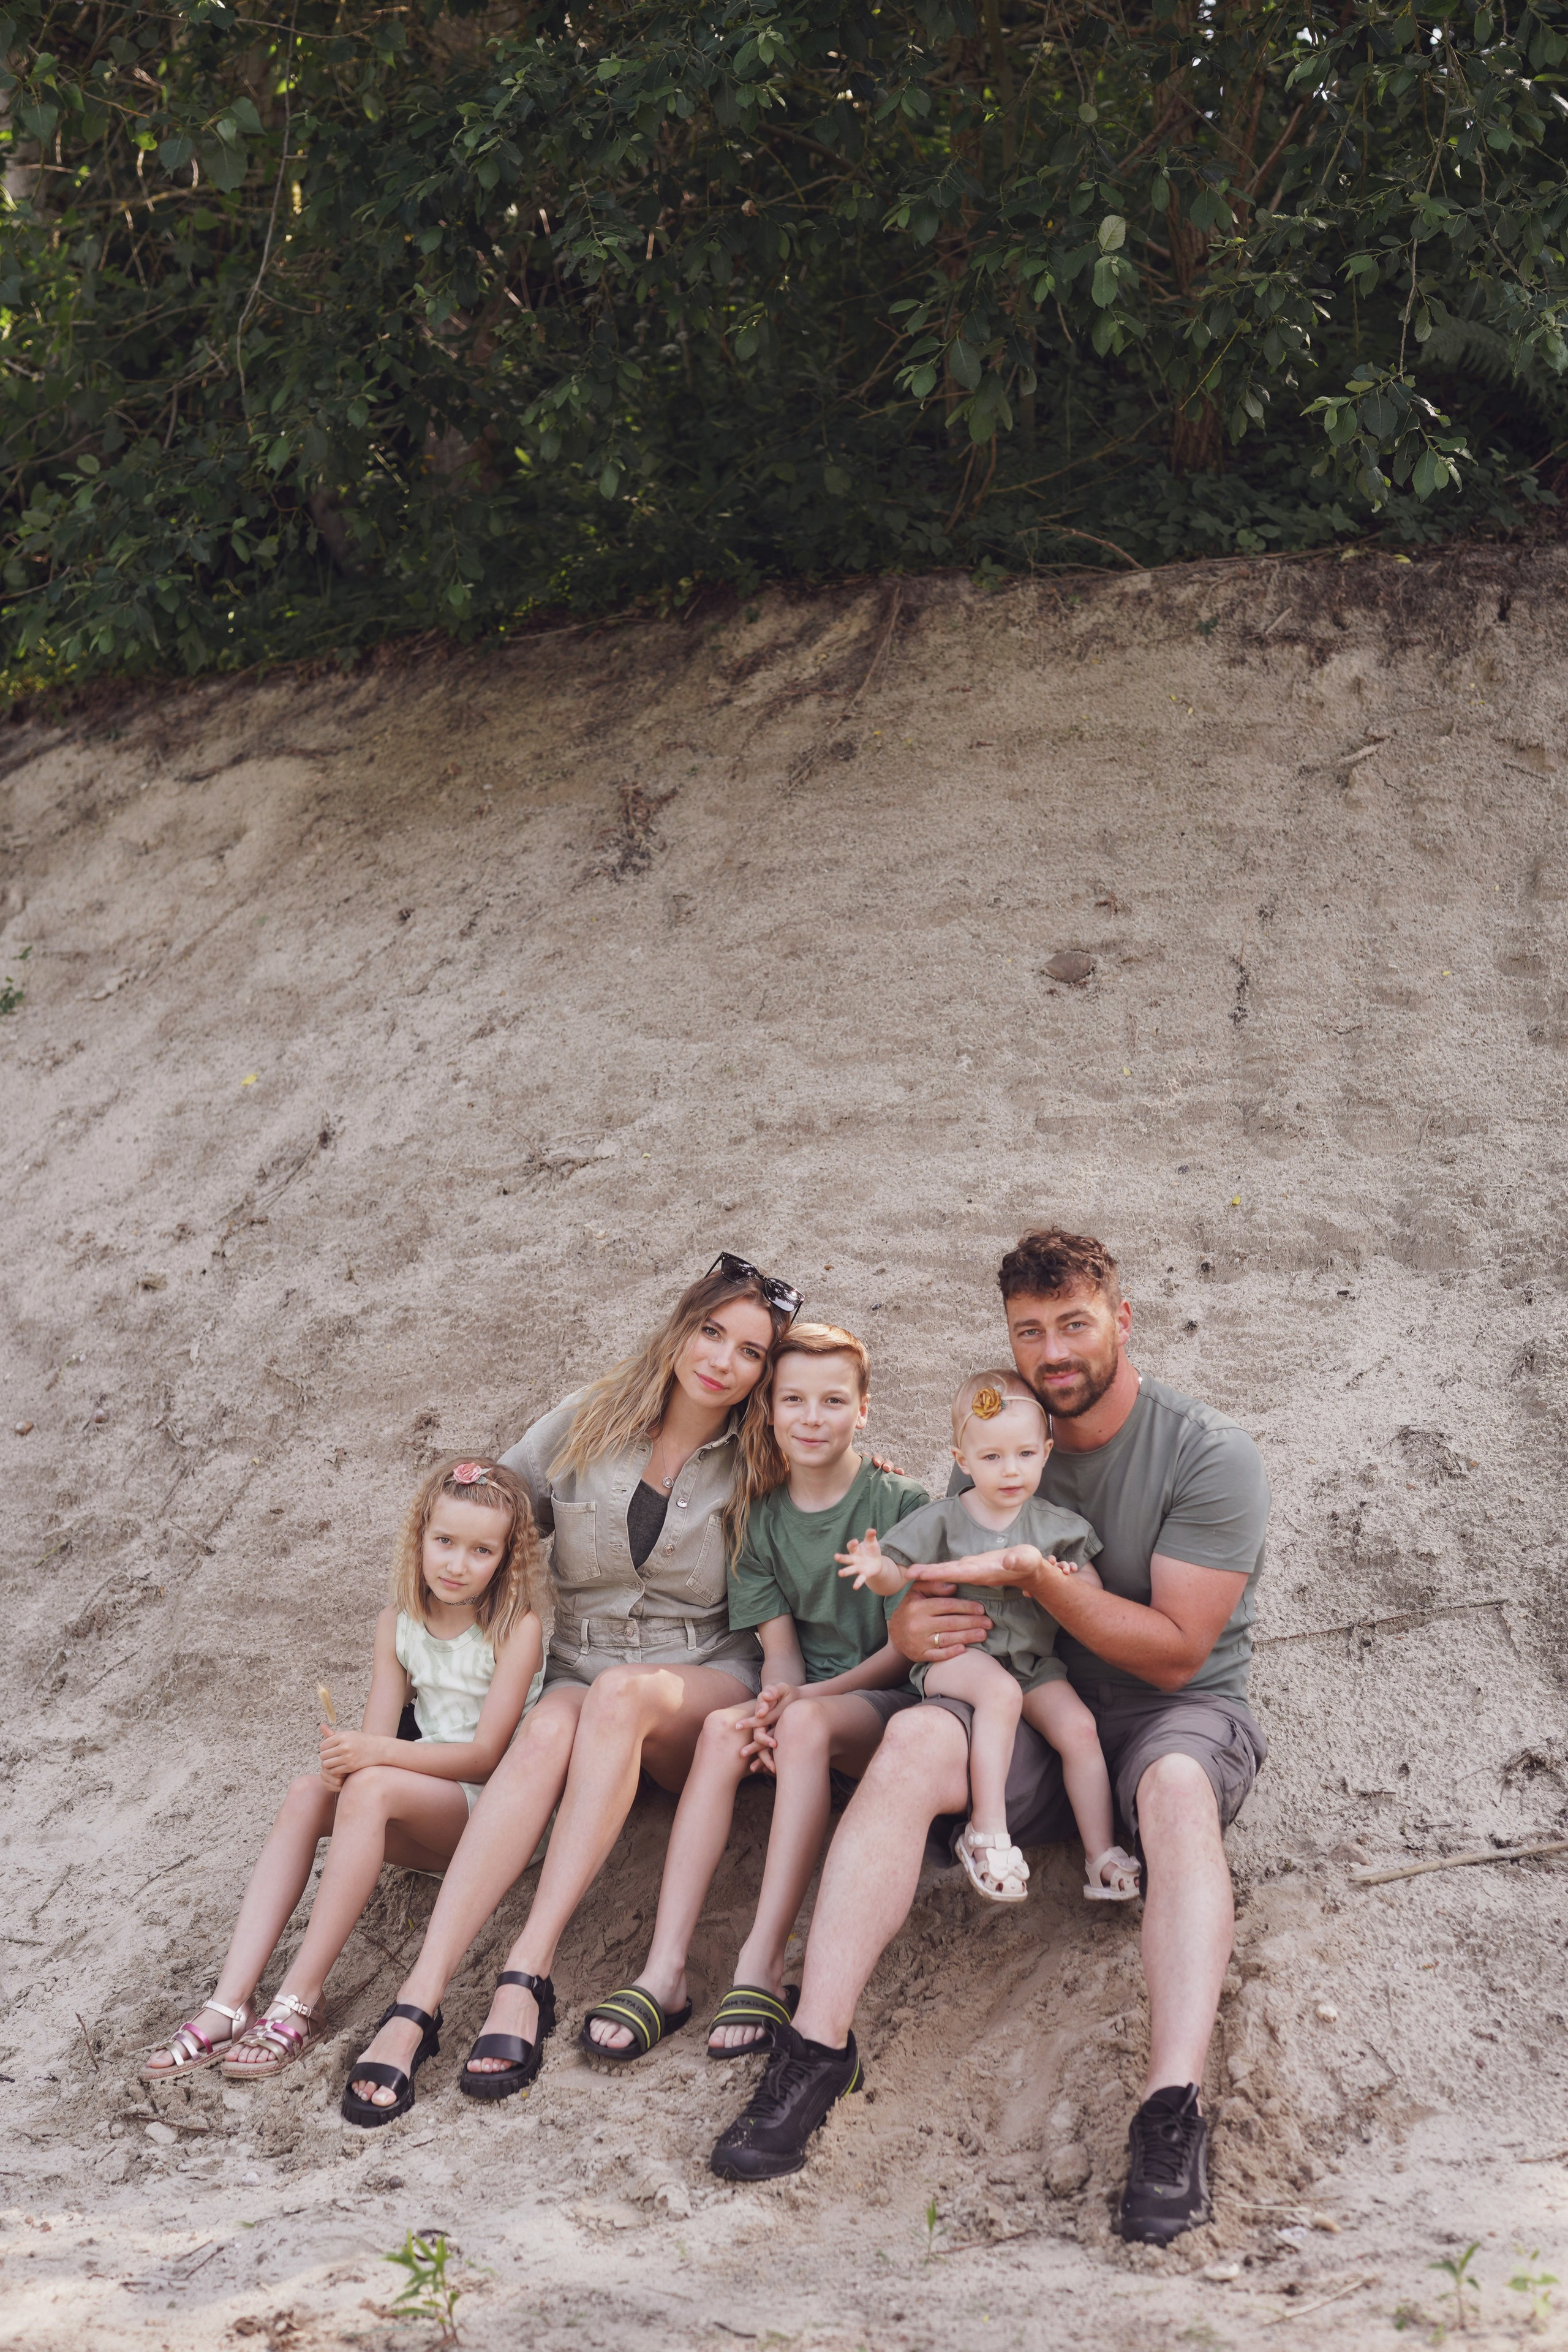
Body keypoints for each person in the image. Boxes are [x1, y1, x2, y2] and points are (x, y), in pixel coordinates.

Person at [709, 1227, 1270, 2247]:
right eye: (1030, 1332)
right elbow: (924, 1584)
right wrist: (916, 1627)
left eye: (1074, 1325)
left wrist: (1042, 1579)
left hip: (1162, 1713)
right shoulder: (998, 1438)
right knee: (918, 1737)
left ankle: (1171, 2106)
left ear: (1121, 1320)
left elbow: (1179, 1652)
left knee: (1179, 1791)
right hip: (1017, 1700)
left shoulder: (1208, 1454)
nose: (1054, 1352)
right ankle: (816, 2047)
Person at [341, 1253, 802, 2119]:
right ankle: (421, 1999)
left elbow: (836, 1488)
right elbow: (483, 1522)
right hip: (579, 1666)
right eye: (712, 1332)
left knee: (621, 1697)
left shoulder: (764, 1450)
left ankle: (529, 1968)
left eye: (750, 1352)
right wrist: (433, 1660)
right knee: (553, 1726)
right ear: (681, 1326)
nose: (723, 1361)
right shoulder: (586, 1420)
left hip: (699, 1673)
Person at [142, 1459, 545, 2100]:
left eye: (480, 1550)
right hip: (420, 1802)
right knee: (309, 1793)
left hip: (488, 1815)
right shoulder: (399, 1622)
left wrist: (373, 1756)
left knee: (374, 1785)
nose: (457, 1563)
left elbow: (486, 1756)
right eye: (444, 1542)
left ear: (506, 1559)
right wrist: (346, 1755)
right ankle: (230, 2002)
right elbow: (374, 1743)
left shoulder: (512, 1629)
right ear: (419, 1538)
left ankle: (299, 1999)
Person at [581, 1322, 927, 2065]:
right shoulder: (759, 1517)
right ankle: (664, 1969)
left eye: (833, 1401)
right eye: (792, 1400)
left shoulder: (900, 1502)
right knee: (721, 1732)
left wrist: (810, 1704)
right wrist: (776, 1701)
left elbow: (908, 1651)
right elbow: (779, 1653)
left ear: (862, 1410)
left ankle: (762, 1962)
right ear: (767, 1412)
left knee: (800, 1727)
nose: (811, 1417)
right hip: (807, 1699)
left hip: (885, 1704)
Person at [838, 1369, 1137, 1907]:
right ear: (962, 1460)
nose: (1010, 1470)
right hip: (959, 1654)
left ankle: (1100, 1854)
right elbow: (898, 1574)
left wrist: (1069, 1582)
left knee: (1079, 1727)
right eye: (992, 1457)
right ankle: (987, 1831)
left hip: (1032, 1662)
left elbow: (1088, 1589)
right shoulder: (944, 1520)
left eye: (1025, 1454)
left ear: (1046, 1453)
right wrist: (874, 1566)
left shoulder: (1057, 1526)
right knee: (998, 1694)